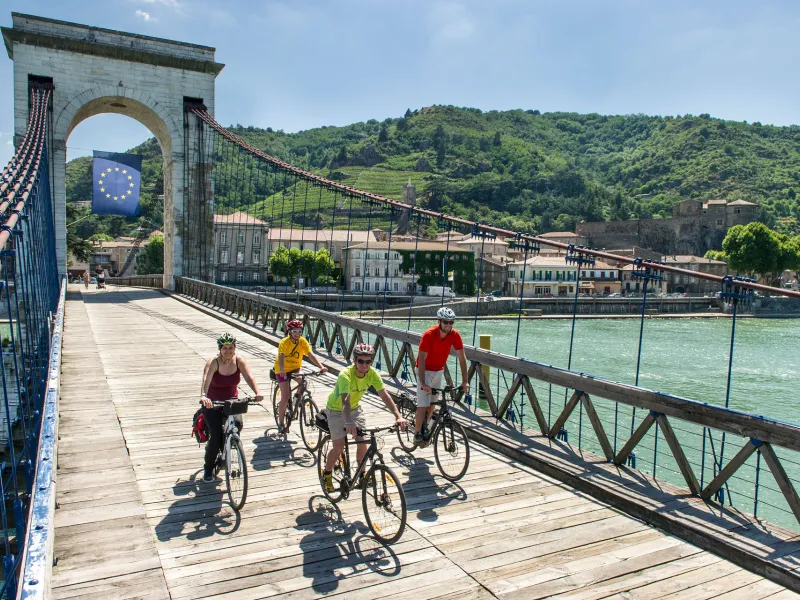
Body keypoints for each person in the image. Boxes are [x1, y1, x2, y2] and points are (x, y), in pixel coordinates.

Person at [322, 343, 407, 492]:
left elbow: (385, 395)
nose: (364, 365)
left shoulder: (372, 374)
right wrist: (348, 422)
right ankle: (327, 473)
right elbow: (345, 402)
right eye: (361, 361)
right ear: (354, 360)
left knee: (362, 441)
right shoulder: (345, 375)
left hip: (355, 408)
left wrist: (398, 416)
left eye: (368, 362)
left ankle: (362, 475)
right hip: (336, 409)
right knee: (339, 446)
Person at [199, 333, 263, 482]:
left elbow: (249, 377)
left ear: (235, 348)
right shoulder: (213, 362)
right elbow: (206, 380)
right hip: (212, 403)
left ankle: (228, 446)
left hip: (231, 401)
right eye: (225, 348)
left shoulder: (239, 361)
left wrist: (257, 392)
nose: (228, 351)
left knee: (238, 425)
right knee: (215, 435)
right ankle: (208, 468)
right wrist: (204, 396)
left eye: (231, 348)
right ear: (220, 349)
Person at [415, 306, 469, 444]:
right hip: (424, 369)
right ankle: (417, 433)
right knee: (423, 403)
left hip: (438, 370)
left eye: (451, 322)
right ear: (439, 321)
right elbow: (421, 359)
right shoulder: (429, 334)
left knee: (433, 402)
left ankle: (425, 426)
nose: (448, 325)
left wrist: (465, 381)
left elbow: (462, 358)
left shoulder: (455, 335)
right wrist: (423, 383)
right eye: (445, 322)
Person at [273, 319, 327, 433]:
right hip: (281, 370)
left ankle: (296, 399)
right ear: (289, 332)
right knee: (284, 397)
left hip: (295, 368)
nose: (297, 334)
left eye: (299, 331)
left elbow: (310, 354)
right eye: (295, 331)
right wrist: (282, 370)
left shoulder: (302, 341)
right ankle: (281, 423)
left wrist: (321, 366)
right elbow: (281, 356)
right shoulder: (284, 342)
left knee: (303, 382)